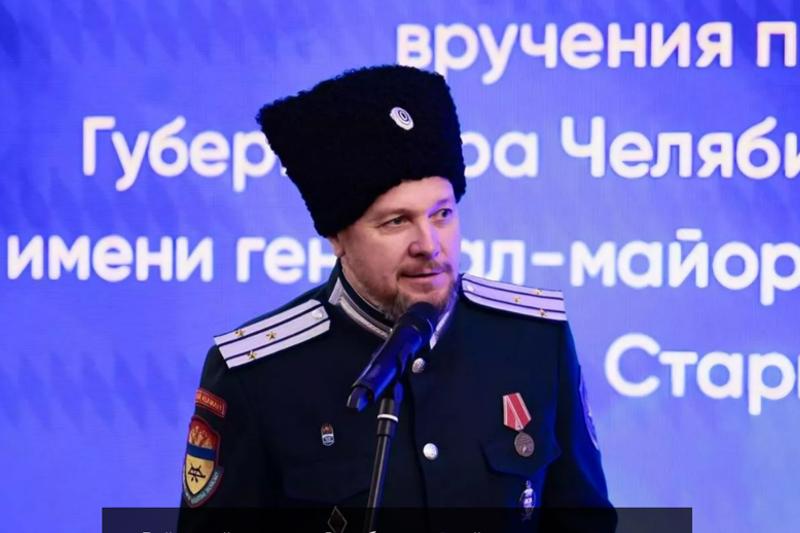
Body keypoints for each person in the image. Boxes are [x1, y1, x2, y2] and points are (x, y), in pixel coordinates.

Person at [179, 65, 613, 530]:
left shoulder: (533, 340)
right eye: (396, 222)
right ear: (337, 237)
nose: (429, 244)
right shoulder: (257, 374)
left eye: (442, 214)